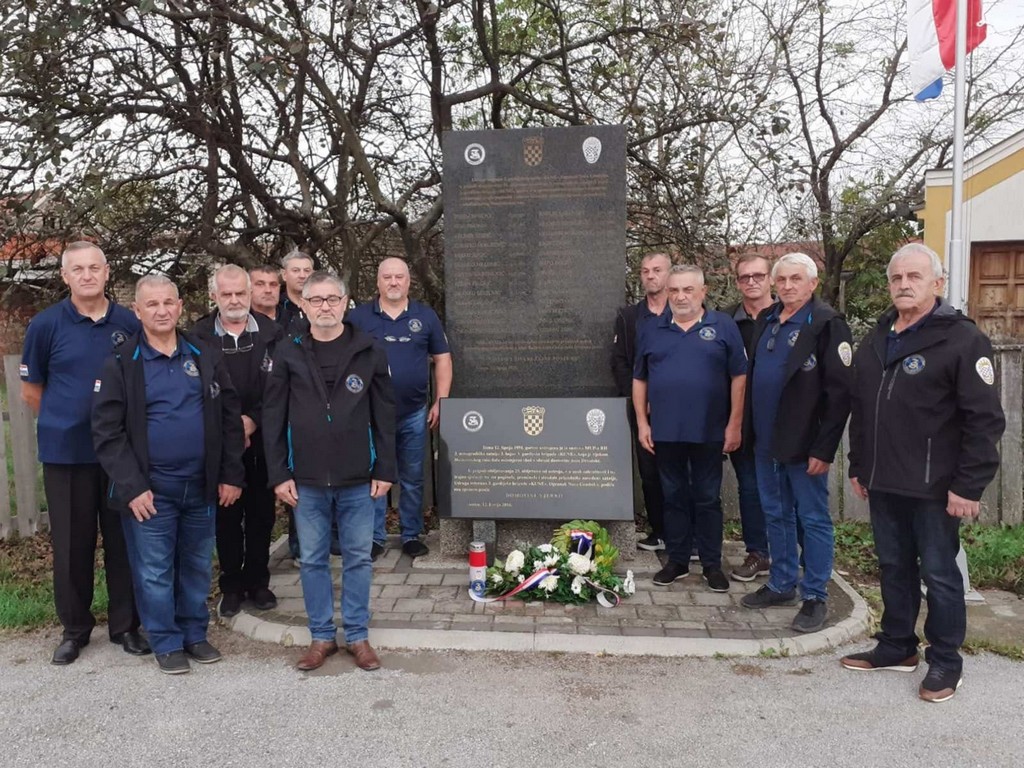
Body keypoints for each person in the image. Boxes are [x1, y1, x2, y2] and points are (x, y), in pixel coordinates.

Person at [841, 243, 1004, 702]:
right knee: (893, 567)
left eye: (914, 276)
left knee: (939, 574)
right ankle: (897, 645)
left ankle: (946, 661)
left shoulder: (962, 339)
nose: (904, 284)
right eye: (896, 278)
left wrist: (968, 485)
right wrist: (859, 464)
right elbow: (862, 409)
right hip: (884, 481)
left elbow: (984, 420)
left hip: (936, 486)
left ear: (938, 283)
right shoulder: (877, 338)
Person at [92, 275, 245, 674]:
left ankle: (194, 634)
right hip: (151, 490)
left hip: (202, 485)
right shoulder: (121, 362)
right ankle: (166, 640)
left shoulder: (204, 354)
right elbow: (107, 433)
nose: (161, 311)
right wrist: (132, 487)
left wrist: (231, 474)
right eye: (152, 304)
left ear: (179, 307)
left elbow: (230, 417)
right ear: (137, 311)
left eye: (168, 303)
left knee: (196, 565)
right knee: (155, 571)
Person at [19, 241, 149, 665]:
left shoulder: (129, 323)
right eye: (78, 269)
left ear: (107, 272)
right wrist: (67, 419)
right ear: (65, 276)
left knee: (123, 545)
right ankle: (74, 630)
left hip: (121, 457)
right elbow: (31, 391)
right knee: (72, 547)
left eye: (95, 267)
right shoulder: (45, 325)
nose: (87, 275)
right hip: (67, 455)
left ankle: (125, 626)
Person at [263, 271, 397, 672]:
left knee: (358, 558)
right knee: (313, 560)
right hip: (305, 480)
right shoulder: (287, 351)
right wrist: (278, 473)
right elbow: (273, 416)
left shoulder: (369, 350)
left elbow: (384, 415)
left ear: (345, 302)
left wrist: (385, 467)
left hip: (358, 477)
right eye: (317, 299)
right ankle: (321, 636)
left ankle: (357, 635)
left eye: (332, 299)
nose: (325, 306)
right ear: (303, 305)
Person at [740, 252, 852, 633]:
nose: (788, 286)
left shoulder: (826, 324)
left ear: (813, 283)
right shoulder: (767, 320)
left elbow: (840, 394)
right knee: (775, 514)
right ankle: (781, 583)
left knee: (813, 518)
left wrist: (824, 448)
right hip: (765, 442)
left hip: (805, 445)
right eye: (782, 280)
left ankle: (815, 595)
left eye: (796, 279)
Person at [633, 265, 746, 592]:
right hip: (665, 432)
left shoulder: (723, 326)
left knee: (707, 498)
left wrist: (734, 423)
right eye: (674, 290)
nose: (680, 297)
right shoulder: (652, 329)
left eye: (688, 290)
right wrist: (642, 423)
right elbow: (639, 379)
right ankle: (678, 561)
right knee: (673, 497)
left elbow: (739, 376)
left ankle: (712, 564)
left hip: (709, 430)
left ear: (703, 292)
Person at [191, 264, 283, 617]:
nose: (234, 300)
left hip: (262, 439)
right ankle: (230, 585)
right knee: (226, 517)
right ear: (213, 296)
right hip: (218, 442)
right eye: (226, 294)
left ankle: (258, 581)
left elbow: (279, 389)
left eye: (240, 293)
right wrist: (232, 426)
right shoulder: (197, 337)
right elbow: (197, 392)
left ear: (250, 293)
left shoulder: (273, 335)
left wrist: (252, 421)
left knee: (261, 515)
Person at [347, 257, 452, 559]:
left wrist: (441, 400)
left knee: (413, 477)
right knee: (373, 475)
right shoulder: (358, 317)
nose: (393, 282)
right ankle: (374, 538)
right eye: (387, 277)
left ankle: (411, 535)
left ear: (408, 281)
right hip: (370, 415)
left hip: (413, 413)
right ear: (378, 281)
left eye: (399, 277)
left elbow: (443, 358)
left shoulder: (425, 316)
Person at [611, 252, 670, 551]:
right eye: (645, 271)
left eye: (657, 270)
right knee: (649, 473)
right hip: (642, 410)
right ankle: (659, 531)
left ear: (669, 274)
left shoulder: (686, 310)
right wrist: (639, 400)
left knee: (683, 473)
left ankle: (689, 535)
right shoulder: (629, 317)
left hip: (679, 409)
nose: (650, 275)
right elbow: (621, 362)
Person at [723, 254, 773, 581]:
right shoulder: (725, 320)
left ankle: (792, 554)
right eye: (745, 277)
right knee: (750, 489)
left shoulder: (788, 316)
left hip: (781, 421)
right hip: (741, 419)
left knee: (787, 490)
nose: (751, 282)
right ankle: (758, 553)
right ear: (737, 282)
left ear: (770, 278)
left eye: (758, 275)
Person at [277, 250, 314, 334]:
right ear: (284, 274)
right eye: (296, 270)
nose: (302, 276)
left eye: (307, 271)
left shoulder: (323, 305)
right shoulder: (275, 307)